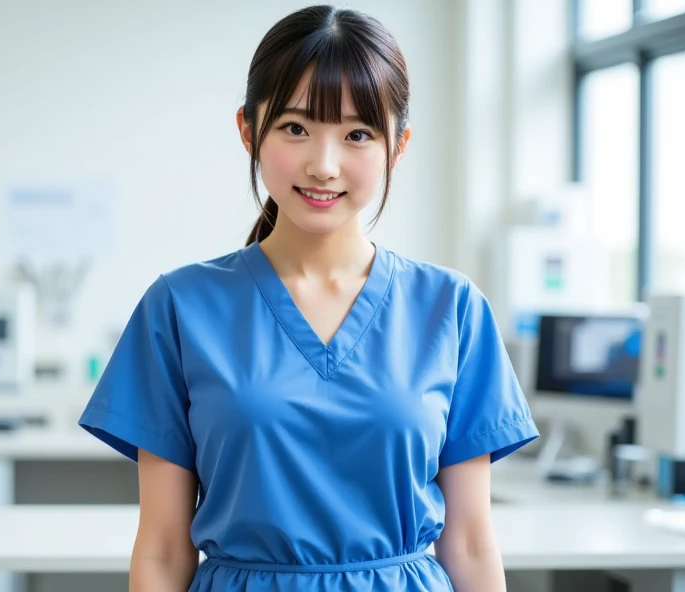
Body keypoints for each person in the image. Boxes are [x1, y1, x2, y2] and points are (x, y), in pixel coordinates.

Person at [78, 5, 538, 591]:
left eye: (357, 135)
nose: (324, 165)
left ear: (398, 145)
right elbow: (164, 549)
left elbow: (470, 543)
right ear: (249, 130)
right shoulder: (179, 308)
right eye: (296, 128)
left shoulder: (451, 308)